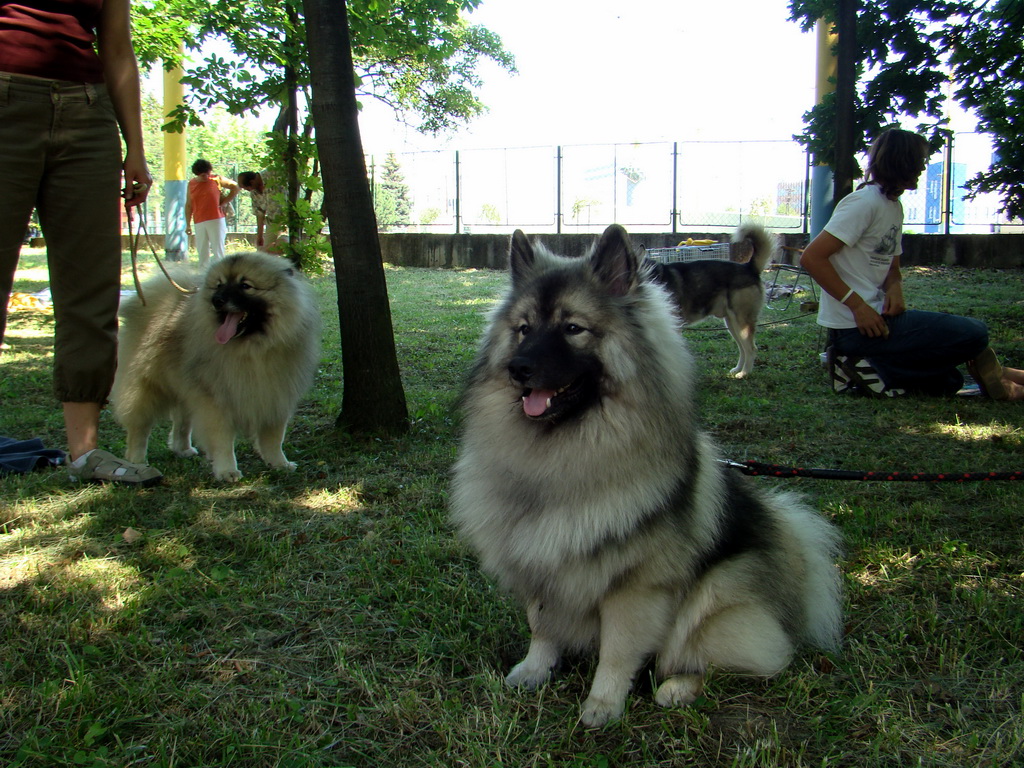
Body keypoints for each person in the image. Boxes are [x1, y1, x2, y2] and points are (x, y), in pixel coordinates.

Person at [0, 0, 163, 484]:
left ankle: (84, 453)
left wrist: (135, 146)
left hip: (89, 113)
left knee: (91, 291)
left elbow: (117, 48)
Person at [800, 128, 1024, 401]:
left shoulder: (893, 205)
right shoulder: (862, 203)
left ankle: (871, 368)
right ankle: (856, 362)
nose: (923, 167)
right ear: (902, 161)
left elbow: (891, 266)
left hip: (880, 322)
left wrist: (895, 286)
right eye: (919, 160)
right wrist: (857, 306)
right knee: (975, 333)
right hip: (854, 328)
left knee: (949, 381)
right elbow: (812, 258)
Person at [185, 158, 239, 266]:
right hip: (199, 220)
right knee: (202, 252)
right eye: (202, 175)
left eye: (208, 173)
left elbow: (235, 187)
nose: (206, 177)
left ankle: (219, 275)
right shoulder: (191, 184)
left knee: (218, 250)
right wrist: (188, 225)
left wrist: (225, 202)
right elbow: (189, 205)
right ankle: (203, 275)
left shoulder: (216, 179)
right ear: (197, 174)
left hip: (216, 219)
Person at [237, 169, 286, 253]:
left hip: (290, 215)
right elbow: (259, 214)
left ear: (252, 182)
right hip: (273, 220)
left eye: (246, 188)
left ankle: (285, 240)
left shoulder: (273, 172)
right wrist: (259, 236)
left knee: (287, 244)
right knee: (265, 252)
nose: (248, 190)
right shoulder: (254, 193)